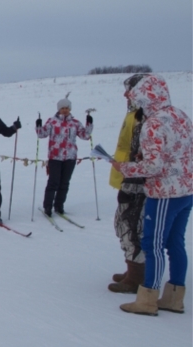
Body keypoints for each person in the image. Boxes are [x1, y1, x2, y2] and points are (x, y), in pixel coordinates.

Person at [112, 74, 193, 316]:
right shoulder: (179, 114)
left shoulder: (154, 122)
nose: (131, 98)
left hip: (165, 192)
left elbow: (154, 167)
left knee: (152, 244)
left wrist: (125, 167)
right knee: (175, 242)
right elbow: (175, 152)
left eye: (135, 95)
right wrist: (145, 159)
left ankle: (148, 298)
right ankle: (174, 298)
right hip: (186, 190)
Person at [107, 74, 147, 293]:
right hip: (126, 176)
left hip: (137, 180)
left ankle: (137, 275)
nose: (125, 94)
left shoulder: (144, 116)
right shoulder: (133, 113)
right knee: (123, 223)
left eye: (129, 90)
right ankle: (132, 268)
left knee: (132, 226)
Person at [36, 95, 93, 216]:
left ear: (70, 109)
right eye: (62, 108)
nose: (65, 110)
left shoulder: (75, 123)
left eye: (67, 108)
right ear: (58, 109)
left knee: (65, 183)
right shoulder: (52, 121)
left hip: (70, 157)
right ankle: (48, 206)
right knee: (53, 182)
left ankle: (59, 205)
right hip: (55, 157)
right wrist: (39, 126)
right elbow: (41, 135)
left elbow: (85, 136)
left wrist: (89, 124)